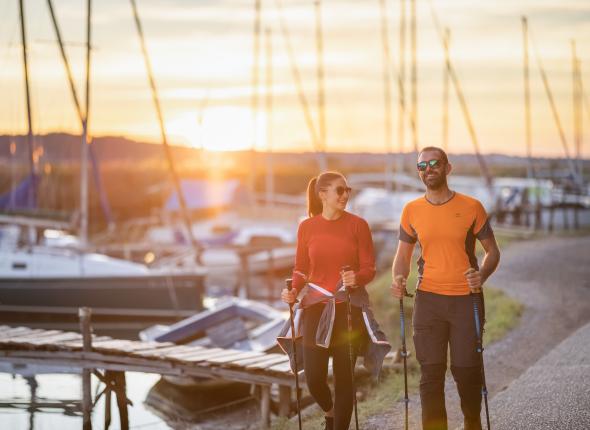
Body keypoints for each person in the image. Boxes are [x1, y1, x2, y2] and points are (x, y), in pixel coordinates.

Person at [391, 147, 501, 430]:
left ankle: (471, 422)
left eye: (434, 163)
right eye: (422, 165)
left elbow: (492, 252)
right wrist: (398, 277)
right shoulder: (411, 210)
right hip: (428, 301)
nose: (428, 169)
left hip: (466, 300)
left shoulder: (471, 206)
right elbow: (402, 256)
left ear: (447, 168)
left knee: (466, 373)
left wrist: (482, 276)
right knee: (430, 375)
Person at [278, 171, 390, 430]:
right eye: (340, 190)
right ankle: (330, 414)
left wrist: (356, 278)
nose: (345, 195)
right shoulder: (307, 227)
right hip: (315, 309)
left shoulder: (358, 225)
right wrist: (293, 291)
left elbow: (369, 268)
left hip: (348, 309)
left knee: (344, 379)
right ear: (323, 194)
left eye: (347, 190)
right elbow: (300, 270)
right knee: (314, 378)